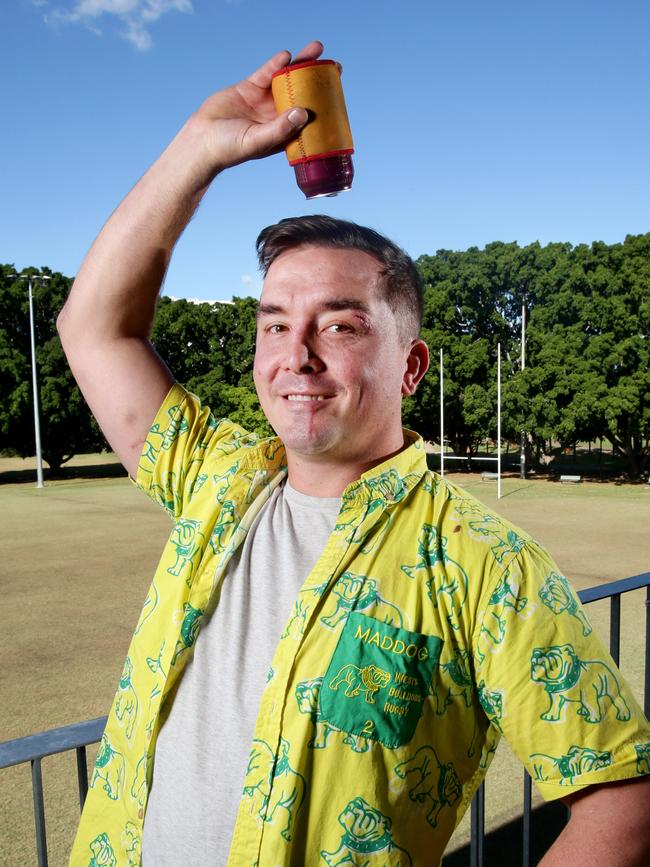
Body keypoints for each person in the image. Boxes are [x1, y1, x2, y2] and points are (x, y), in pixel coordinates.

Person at [59, 40, 650, 867]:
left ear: (411, 365)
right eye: (274, 323)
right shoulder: (215, 477)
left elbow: (623, 803)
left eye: (339, 325)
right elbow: (93, 327)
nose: (295, 354)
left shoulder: (486, 566)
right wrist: (201, 145)